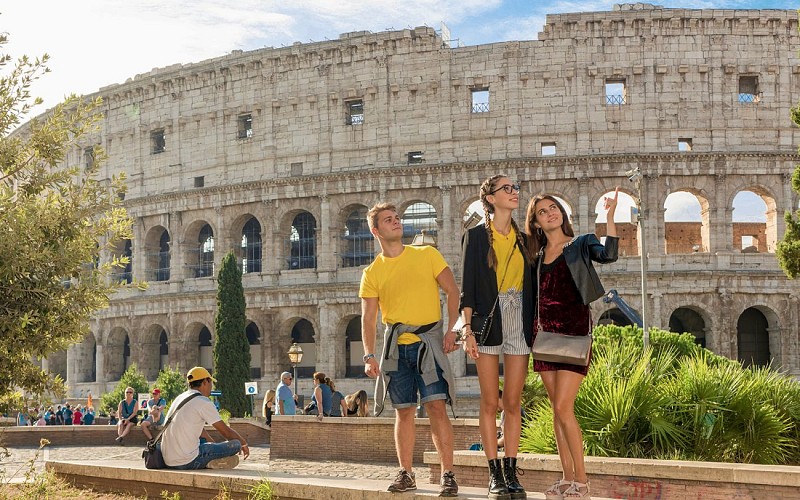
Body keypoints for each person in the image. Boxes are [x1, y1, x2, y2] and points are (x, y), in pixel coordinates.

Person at [359, 202, 461, 497]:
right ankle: (406, 473)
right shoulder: (372, 272)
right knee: (403, 413)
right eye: (389, 220)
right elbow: (369, 318)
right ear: (376, 231)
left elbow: (453, 291)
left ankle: (448, 475)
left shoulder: (426, 254)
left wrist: (453, 330)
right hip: (396, 350)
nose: (397, 222)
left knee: (436, 408)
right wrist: (369, 354)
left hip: (428, 343)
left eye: (397, 218)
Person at [525, 188, 619, 500]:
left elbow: (609, 255)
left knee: (565, 407)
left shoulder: (580, 243)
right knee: (556, 410)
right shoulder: (536, 257)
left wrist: (608, 216)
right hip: (545, 336)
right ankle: (566, 478)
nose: (550, 213)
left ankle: (582, 481)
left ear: (562, 213)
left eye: (553, 208)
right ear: (536, 223)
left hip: (575, 333)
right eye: (542, 212)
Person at [460, 175, 533, 500]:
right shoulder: (475, 237)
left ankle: (511, 471)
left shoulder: (526, 238)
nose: (514, 192)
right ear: (490, 198)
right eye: (507, 188)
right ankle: (494, 474)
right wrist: (466, 330)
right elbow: (468, 289)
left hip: (520, 315)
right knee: (490, 402)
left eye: (515, 187)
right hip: (489, 318)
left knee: (513, 402)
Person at [160, 366, 250, 470]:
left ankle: (212, 461)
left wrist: (213, 447)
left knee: (207, 444)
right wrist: (243, 444)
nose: (211, 387)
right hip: (187, 461)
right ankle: (208, 462)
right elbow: (226, 432)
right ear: (205, 382)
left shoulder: (180, 398)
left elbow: (199, 431)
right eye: (211, 382)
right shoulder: (203, 402)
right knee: (235, 444)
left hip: (168, 461)